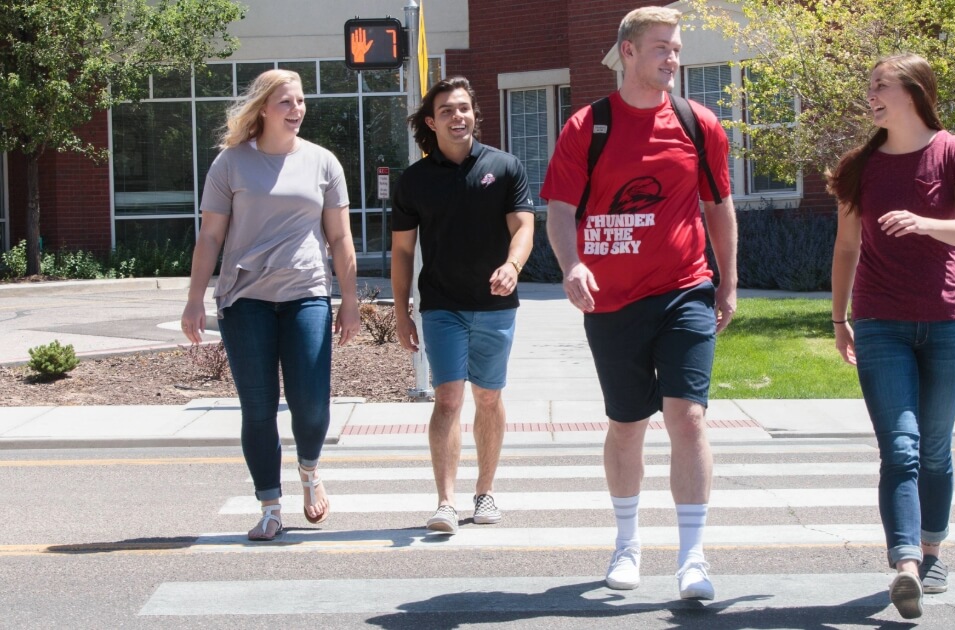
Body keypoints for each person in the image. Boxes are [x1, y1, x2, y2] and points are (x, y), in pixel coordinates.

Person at [541, 6, 738, 602]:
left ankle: (693, 557)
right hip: (613, 301)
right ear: (627, 51)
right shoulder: (587, 127)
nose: (673, 57)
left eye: (676, 48)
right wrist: (572, 262)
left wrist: (728, 283)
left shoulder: (698, 124)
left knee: (689, 417)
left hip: (685, 289)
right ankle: (627, 543)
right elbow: (559, 211)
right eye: (661, 47)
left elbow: (718, 209)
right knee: (627, 425)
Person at [826, 53, 955, 619]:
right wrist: (839, 319)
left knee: (936, 451)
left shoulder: (953, 151)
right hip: (879, 323)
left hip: (946, 322)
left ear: (913, 91)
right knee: (900, 447)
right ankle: (905, 566)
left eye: (879, 85)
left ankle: (932, 550)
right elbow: (846, 248)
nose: (870, 94)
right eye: (868, 85)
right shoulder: (861, 167)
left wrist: (923, 223)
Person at [181, 69, 360, 542]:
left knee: (311, 405)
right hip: (245, 300)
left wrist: (350, 300)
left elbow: (340, 237)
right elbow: (211, 236)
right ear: (263, 108)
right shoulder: (230, 164)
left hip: (306, 294)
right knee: (258, 408)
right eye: (286, 102)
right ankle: (270, 506)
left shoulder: (323, 163)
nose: (297, 109)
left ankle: (309, 469)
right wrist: (195, 298)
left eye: (300, 101)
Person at [390, 76, 535, 536]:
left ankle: (485, 491)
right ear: (431, 122)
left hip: (495, 305)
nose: (458, 116)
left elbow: (524, 227)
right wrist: (401, 311)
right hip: (442, 305)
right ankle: (446, 501)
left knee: (488, 397)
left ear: (475, 114)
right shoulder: (413, 181)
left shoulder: (505, 166)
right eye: (448, 111)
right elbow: (401, 253)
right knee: (448, 397)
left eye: (464, 109)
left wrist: (512, 265)